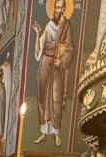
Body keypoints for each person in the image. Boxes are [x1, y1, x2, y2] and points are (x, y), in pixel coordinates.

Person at [32, 0, 74, 147]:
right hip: (45, 64)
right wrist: (37, 34)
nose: (56, 10)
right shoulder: (49, 25)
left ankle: (56, 133)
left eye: (59, 8)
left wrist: (61, 62)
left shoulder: (66, 26)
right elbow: (41, 45)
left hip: (57, 67)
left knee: (56, 98)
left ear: (64, 9)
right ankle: (43, 133)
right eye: (55, 7)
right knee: (42, 96)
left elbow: (70, 49)